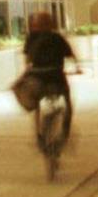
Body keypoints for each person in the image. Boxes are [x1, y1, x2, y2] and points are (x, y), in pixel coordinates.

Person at [21, 11, 77, 148]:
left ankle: (39, 134)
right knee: (68, 104)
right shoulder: (57, 38)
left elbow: (27, 59)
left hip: (37, 77)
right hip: (56, 76)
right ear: (51, 23)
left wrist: (27, 71)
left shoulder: (31, 38)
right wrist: (77, 68)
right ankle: (65, 133)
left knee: (36, 104)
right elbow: (70, 56)